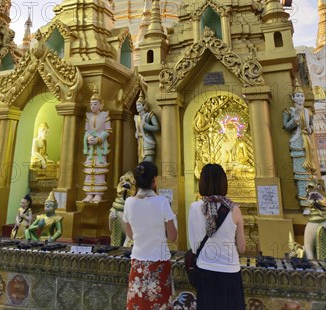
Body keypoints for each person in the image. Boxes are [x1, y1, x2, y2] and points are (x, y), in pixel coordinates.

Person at [188, 163, 246, 310]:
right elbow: (242, 247)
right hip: (230, 271)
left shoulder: (195, 208)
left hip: (205, 269)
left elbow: (194, 246)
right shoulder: (234, 209)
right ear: (223, 183)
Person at [123, 161, 177, 310]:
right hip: (159, 261)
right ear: (154, 180)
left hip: (138, 262)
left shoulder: (129, 203)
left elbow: (130, 234)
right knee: (160, 304)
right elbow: (173, 236)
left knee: (138, 304)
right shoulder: (162, 202)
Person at [283, 81, 316, 209]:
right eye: (297, 96)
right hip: (297, 144)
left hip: (307, 144)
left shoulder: (308, 112)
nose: (300, 98)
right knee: (301, 175)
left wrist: (310, 129)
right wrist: (295, 118)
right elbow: (286, 126)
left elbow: (312, 126)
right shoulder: (289, 111)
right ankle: (304, 203)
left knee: (310, 174)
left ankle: (312, 201)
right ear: (292, 98)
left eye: (301, 96)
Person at [82, 88, 112, 203]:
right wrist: (89, 137)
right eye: (91, 104)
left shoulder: (105, 116)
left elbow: (108, 130)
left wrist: (99, 139)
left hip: (100, 146)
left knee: (99, 169)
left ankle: (98, 194)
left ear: (101, 105)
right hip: (91, 147)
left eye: (95, 104)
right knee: (89, 168)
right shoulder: (88, 116)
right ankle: (89, 193)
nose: (92, 106)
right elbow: (87, 131)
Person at [134, 92, 160, 163]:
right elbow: (137, 130)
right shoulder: (136, 118)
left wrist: (146, 126)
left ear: (144, 106)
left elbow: (157, 127)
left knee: (149, 162)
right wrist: (137, 133)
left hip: (148, 141)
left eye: (139, 105)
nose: (137, 107)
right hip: (140, 142)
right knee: (141, 163)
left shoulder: (149, 115)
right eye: (136, 105)